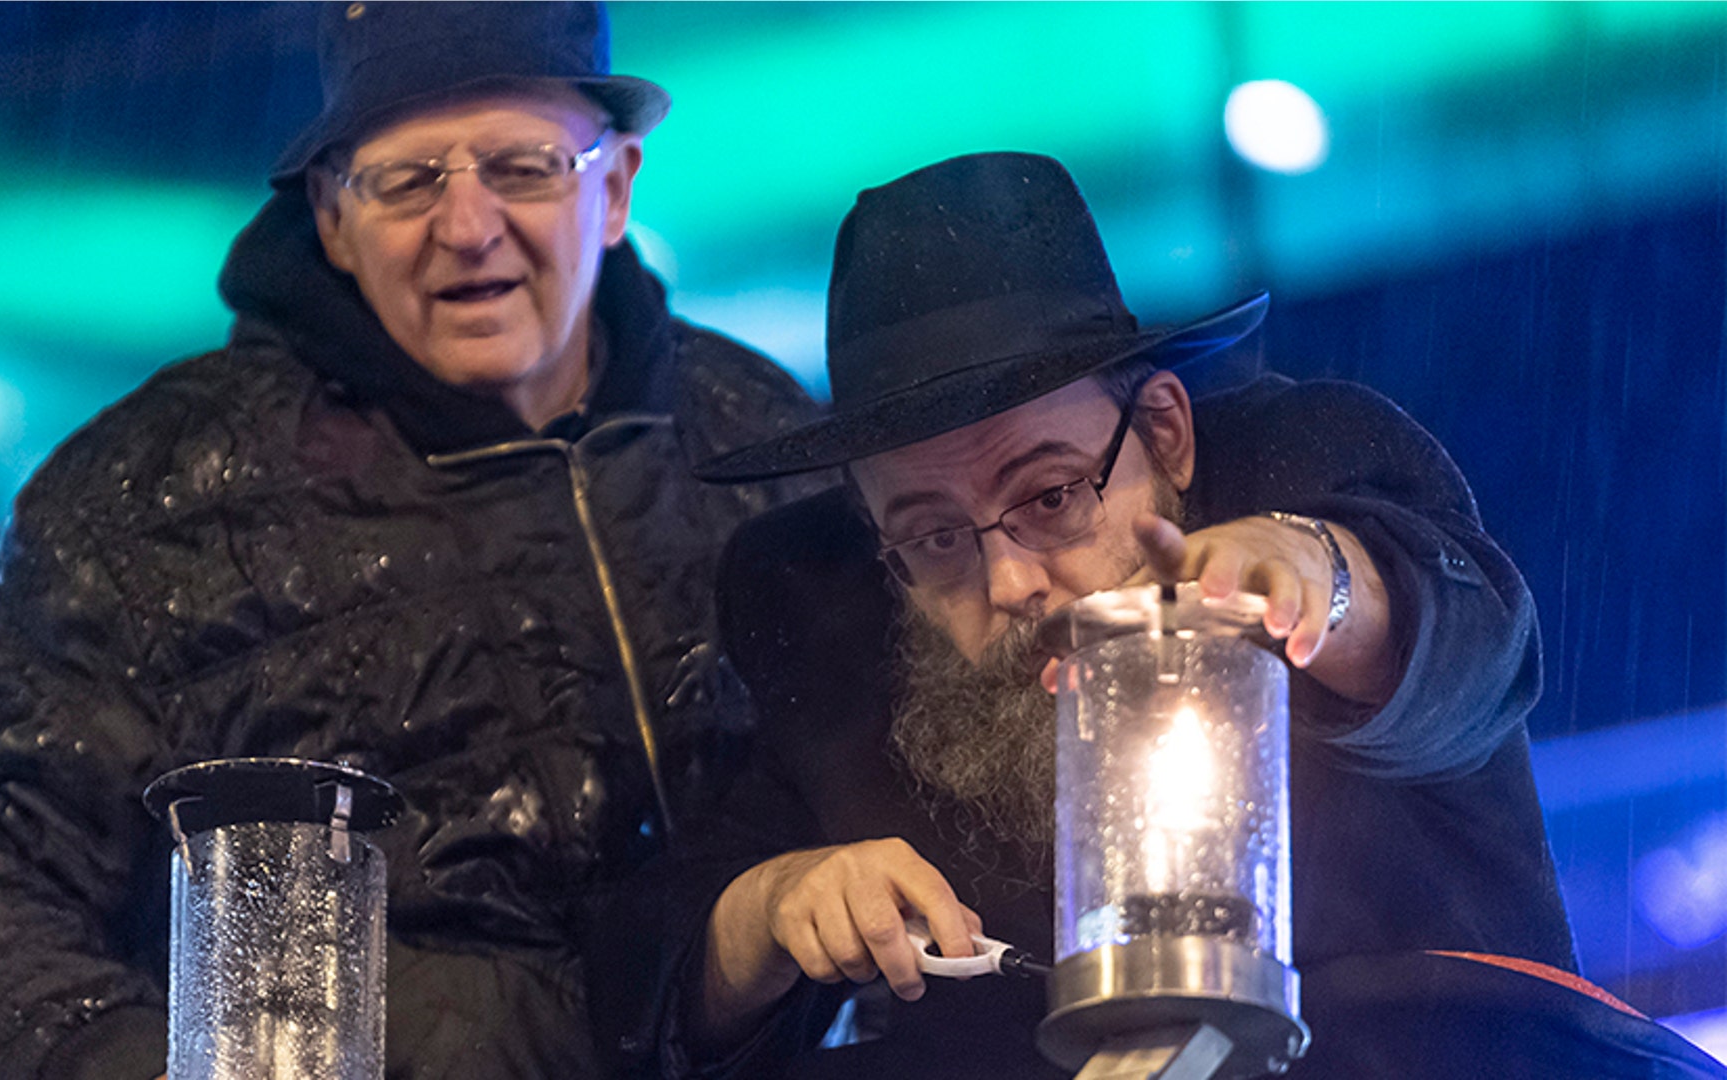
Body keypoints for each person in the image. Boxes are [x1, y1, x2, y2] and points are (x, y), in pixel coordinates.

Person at [0, 4, 821, 1080]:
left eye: (522, 166)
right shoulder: (155, 498)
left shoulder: (763, 438)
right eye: (408, 180)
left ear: (616, 185)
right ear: (334, 213)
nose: (468, 224)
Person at [589, 152, 1727, 1078]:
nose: (1010, 583)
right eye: (933, 536)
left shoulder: (1312, 457)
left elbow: (1471, 650)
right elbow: (659, 954)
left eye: (1048, 497)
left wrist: (1320, 577)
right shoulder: (825, 620)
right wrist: (774, 905)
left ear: (1169, 436)